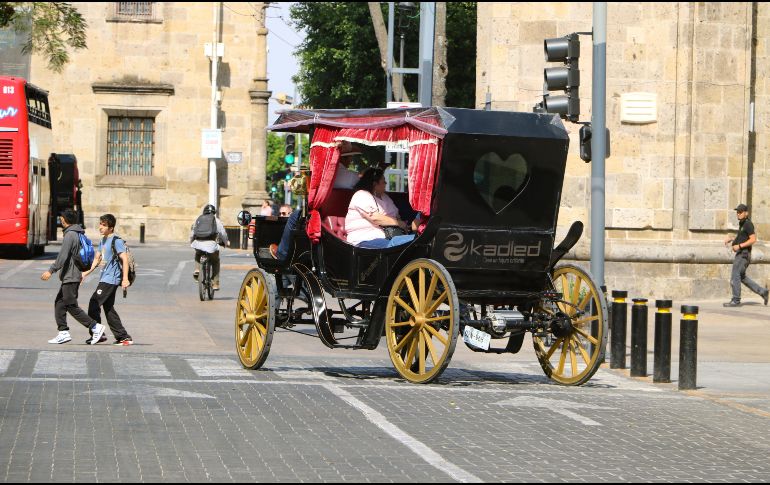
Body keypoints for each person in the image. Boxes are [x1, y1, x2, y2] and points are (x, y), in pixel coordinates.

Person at [269, 141, 362, 260]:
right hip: (344, 217)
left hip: (322, 215)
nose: (351, 161)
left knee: (294, 217)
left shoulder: (324, 174)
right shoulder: (353, 176)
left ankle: (282, 253)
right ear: (344, 158)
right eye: (350, 158)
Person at [41, 210, 106, 345]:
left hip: (71, 275)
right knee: (60, 303)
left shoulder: (70, 235)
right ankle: (63, 332)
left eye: (61, 218)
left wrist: (51, 270)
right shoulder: (77, 232)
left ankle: (95, 327)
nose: (60, 220)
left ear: (64, 220)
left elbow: (62, 256)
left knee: (70, 305)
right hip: (71, 275)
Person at [81, 214, 133, 345]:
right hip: (104, 277)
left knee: (94, 303)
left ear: (111, 228)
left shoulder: (117, 241)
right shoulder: (103, 240)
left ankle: (97, 333)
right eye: (100, 224)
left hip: (111, 279)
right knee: (108, 308)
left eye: (104, 225)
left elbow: (125, 259)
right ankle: (123, 336)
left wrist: (125, 279)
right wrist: (85, 273)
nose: (100, 227)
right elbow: (96, 259)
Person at [345, 167, 417, 249]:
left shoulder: (385, 197)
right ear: (375, 184)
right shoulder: (361, 195)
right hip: (365, 239)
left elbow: (396, 215)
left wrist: (404, 226)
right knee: (400, 243)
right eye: (383, 181)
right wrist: (398, 223)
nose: (386, 183)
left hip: (389, 236)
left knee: (414, 239)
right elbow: (375, 218)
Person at [723, 203, 769, 307]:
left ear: (746, 213)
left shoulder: (748, 224)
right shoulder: (742, 224)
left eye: (740, 212)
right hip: (742, 253)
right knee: (742, 277)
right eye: (737, 212)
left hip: (743, 254)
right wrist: (732, 239)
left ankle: (736, 300)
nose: (738, 214)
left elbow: (753, 239)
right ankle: (763, 292)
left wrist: (739, 246)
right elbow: (743, 237)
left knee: (735, 275)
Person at [190, 204, 229, 291]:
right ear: (214, 212)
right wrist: (226, 243)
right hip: (211, 245)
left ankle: (197, 269)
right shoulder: (216, 221)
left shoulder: (198, 219)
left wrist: (192, 241)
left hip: (198, 243)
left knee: (198, 253)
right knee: (215, 261)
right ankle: (215, 283)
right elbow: (222, 233)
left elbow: (193, 232)